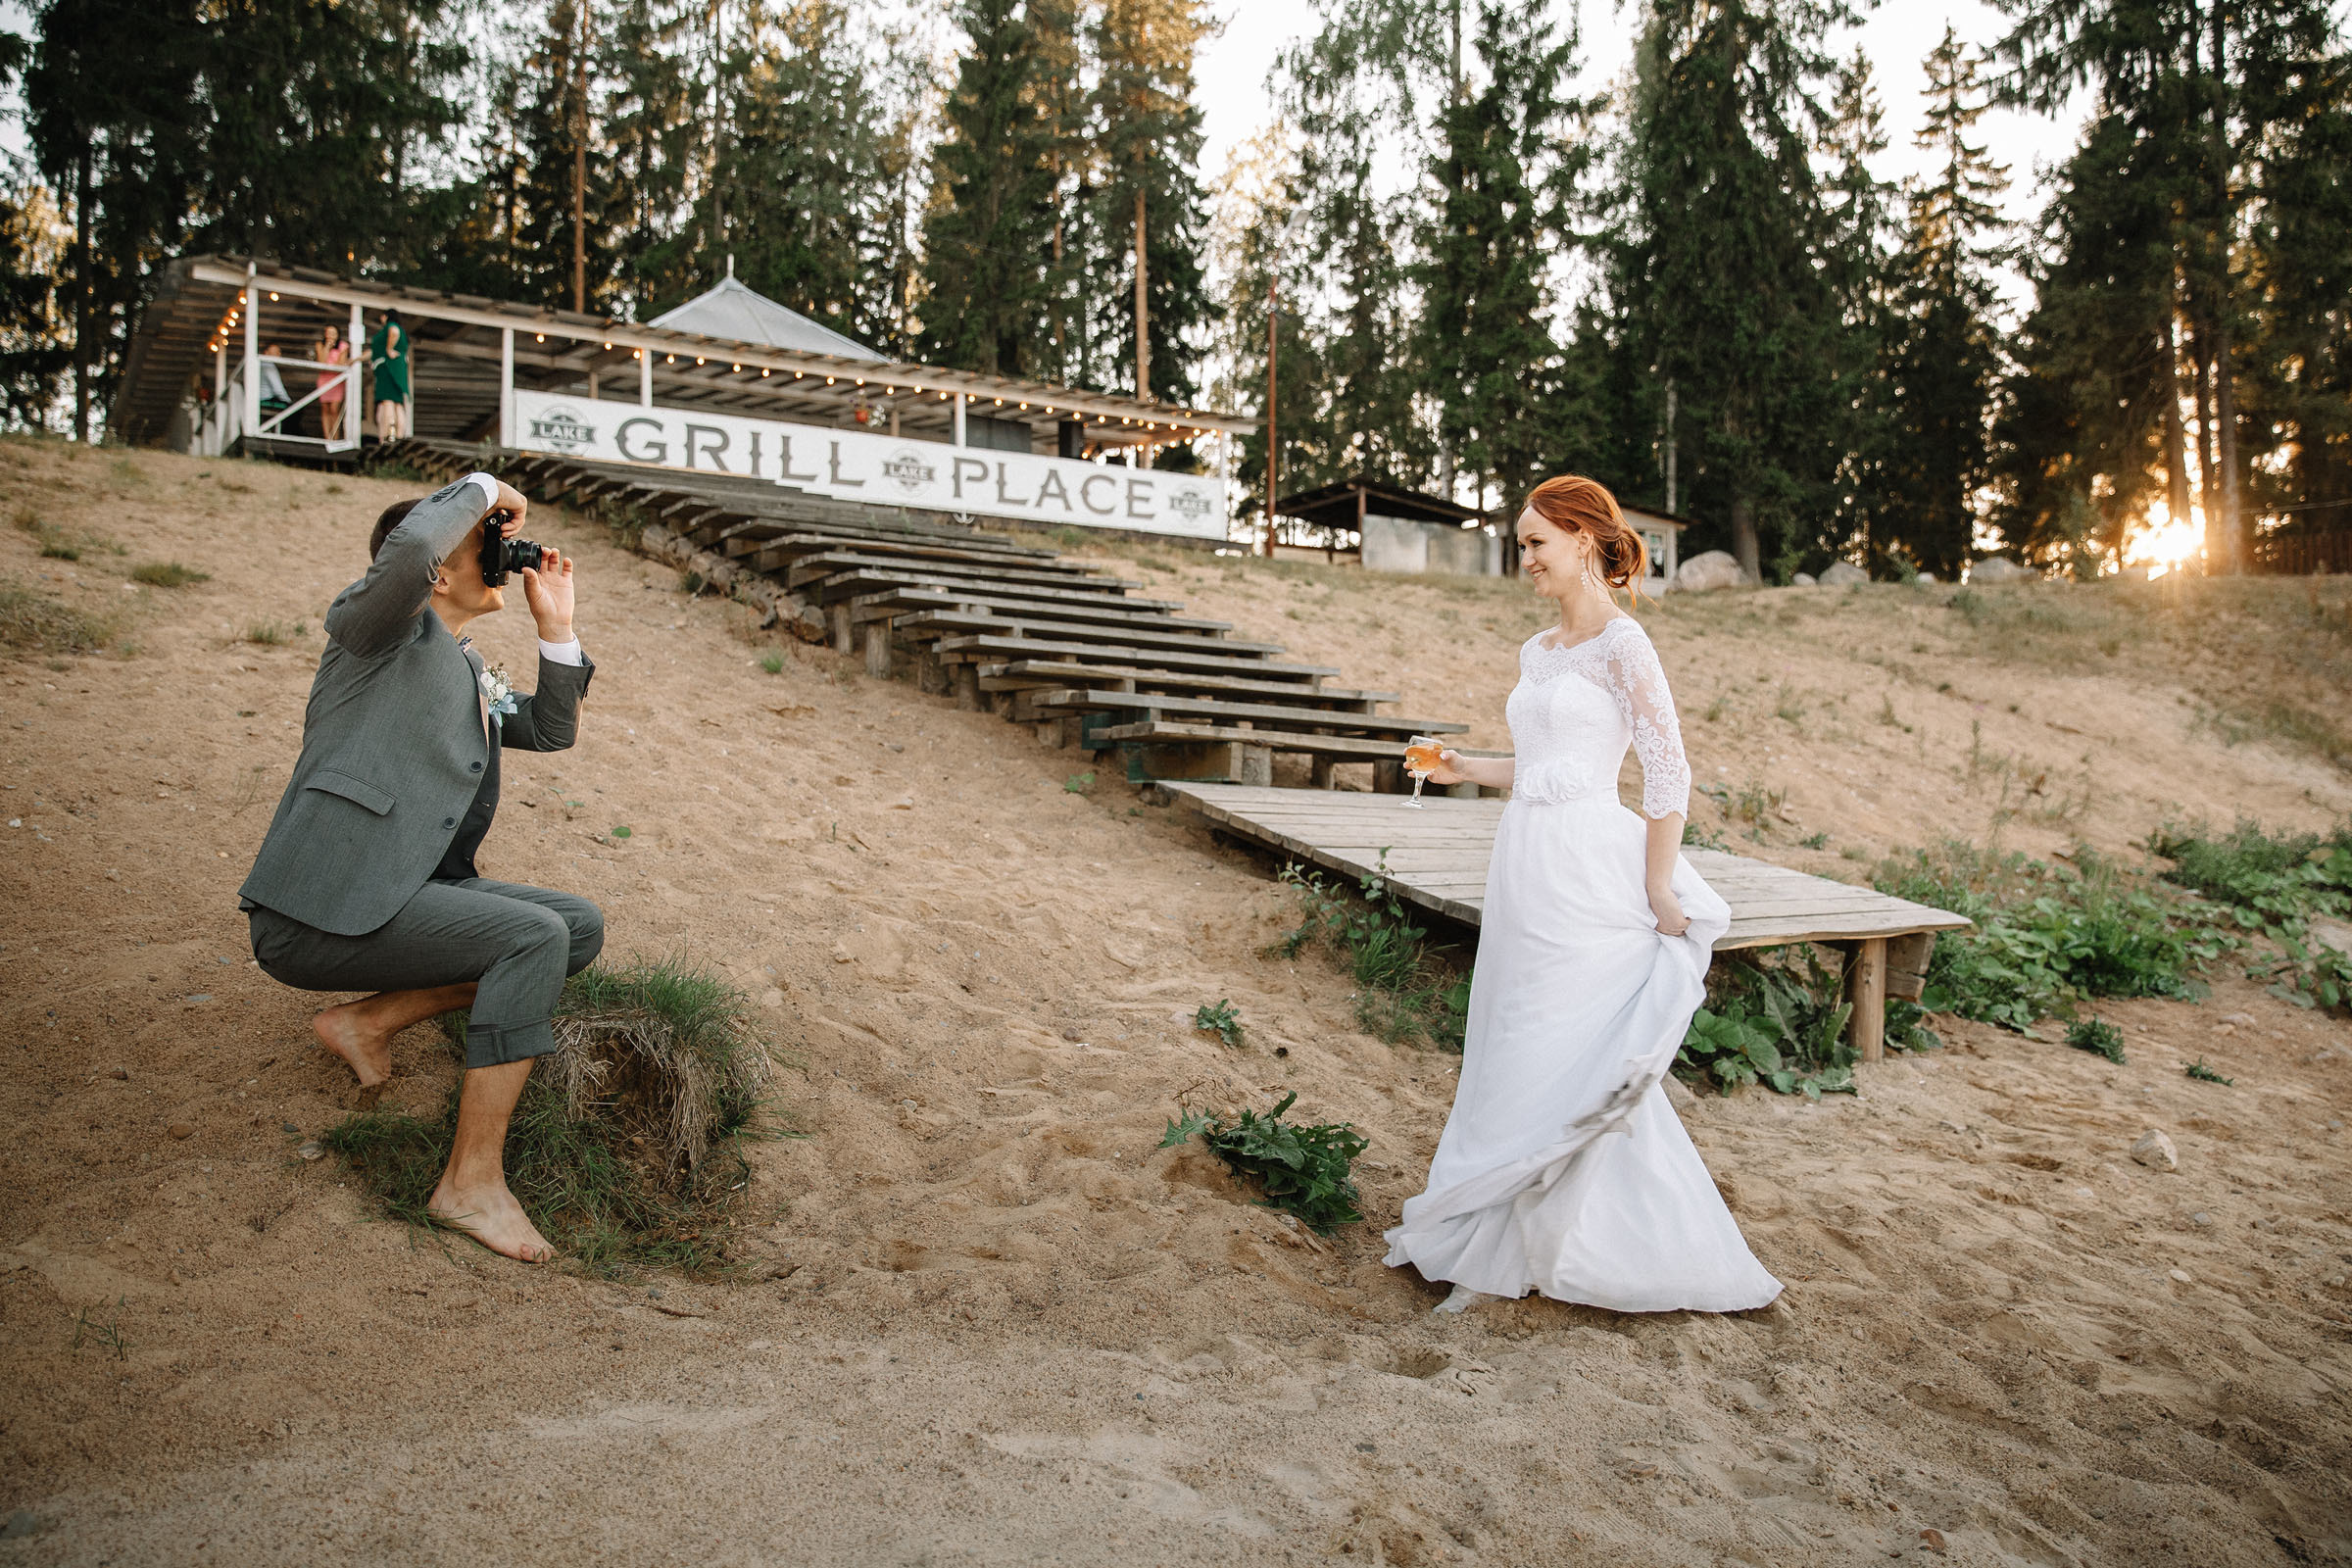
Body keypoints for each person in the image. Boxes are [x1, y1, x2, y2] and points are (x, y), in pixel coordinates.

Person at [1383, 474, 1782, 1316]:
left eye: (1535, 542)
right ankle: (1498, 1221)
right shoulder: (1538, 651)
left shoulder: (1623, 644)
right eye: (1520, 542)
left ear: (1584, 541)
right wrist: (1462, 767)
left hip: (1586, 864)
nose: (1521, 556)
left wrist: (1659, 884)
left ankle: (1560, 1239)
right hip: (1524, 858)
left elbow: (1668, 770)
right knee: (1509, 1032)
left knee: (1558, 1044)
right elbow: (1540, 767)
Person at [238, 472, 601, 1262]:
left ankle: (368, 1019)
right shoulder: (378, 634)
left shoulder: (466, 665)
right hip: (318, 910)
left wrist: (557, 631)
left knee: (575, 929)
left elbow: (545, 728)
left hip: (401, 897)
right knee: (531, 940)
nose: (502, 558)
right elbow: (405, 555)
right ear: (439, 564)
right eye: (488, 547)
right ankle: (469, 1184)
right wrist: (484, 489)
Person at [368, 311, 411, 442]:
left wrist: (389, 349)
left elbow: (394, 332)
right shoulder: (402, 331)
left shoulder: (391, 326)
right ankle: (399, 436)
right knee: (398, 404)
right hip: (398, 369)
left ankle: (386, 436)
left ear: (386, 316)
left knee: (388, 401)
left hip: (388, 368)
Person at [316, 323, 350, 441]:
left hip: (337, 381)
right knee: (325, 409)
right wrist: (327, 348)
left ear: (337, 335)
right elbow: (321, 362)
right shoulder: (320, 345)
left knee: (334, 409)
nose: (330, 335)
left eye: (333, 333)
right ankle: (327, 437)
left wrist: (329, 366)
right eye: (328, 333)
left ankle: (335, 437)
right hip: (324, 380)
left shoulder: (343, 346)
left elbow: (340, 364)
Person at [256, 344, 290, 416]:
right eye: (275, 351)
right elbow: (278, 390)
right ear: (266, 352)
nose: (278, 354)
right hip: (265, 401)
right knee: (295, 411)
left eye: (279, 352)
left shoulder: (259, 365)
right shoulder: (269, 366)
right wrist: (289, 403)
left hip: (257, 401)